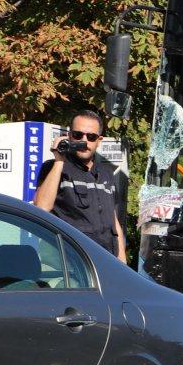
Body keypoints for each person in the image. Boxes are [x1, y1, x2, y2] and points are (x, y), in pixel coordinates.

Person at [34, 111, 126, 263]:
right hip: (68, 262)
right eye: (78, 135)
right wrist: (59, 160)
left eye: (91, 137)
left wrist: (122, 261)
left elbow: (113, 220)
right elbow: (42, 207)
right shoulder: (53, 168)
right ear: (69, 136)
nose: (84, 141)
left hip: (105, 261)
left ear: (99, 140)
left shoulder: (106, 173)